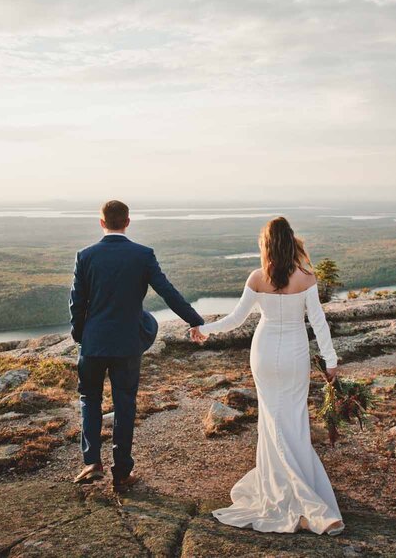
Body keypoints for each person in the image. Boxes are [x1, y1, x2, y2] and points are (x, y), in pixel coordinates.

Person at [190, 216, 345, 535]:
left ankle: (279, 486)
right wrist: (330, 360)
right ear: (290, 241)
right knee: (293, 420)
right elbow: (318, 323)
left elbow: (235, 319)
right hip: (295, 354)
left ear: (266, 245)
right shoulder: (306, 278)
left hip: (264, 352)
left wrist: (204, 330)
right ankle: (301, 487)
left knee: (271, 420)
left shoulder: (258, 277)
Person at [69, 199, 205, 491]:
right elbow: (168, 292)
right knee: (125, 404)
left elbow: (76, 304)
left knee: (89, 399)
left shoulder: (86, 256)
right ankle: (121, 472)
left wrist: (81, 335)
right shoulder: (142, 255)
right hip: (128, 344)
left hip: (93, 344)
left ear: (102, 222)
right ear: (128, 222)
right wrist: (194, 320)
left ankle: (91, 461)